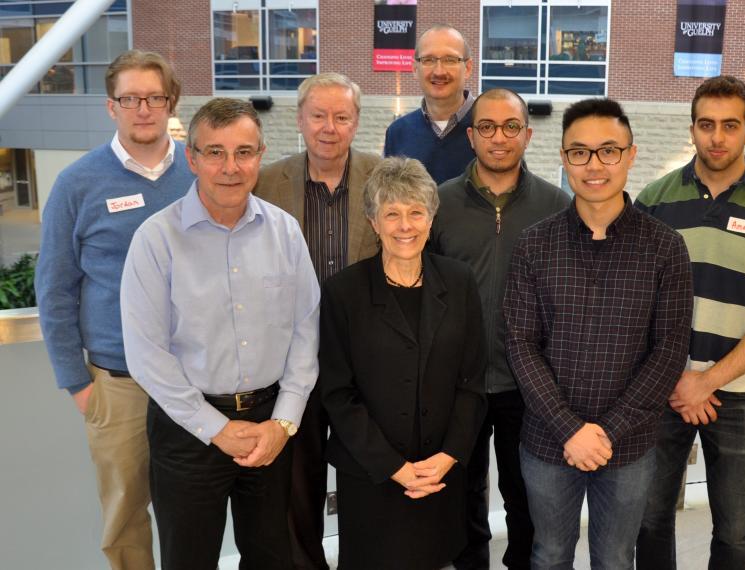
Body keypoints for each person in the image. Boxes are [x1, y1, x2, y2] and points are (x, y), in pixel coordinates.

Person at [120, 98, 320, 569]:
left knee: (273, 557)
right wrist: (218, 430)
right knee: (189, 559)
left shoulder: (285, 232)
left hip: (270, 426)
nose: (231, 167)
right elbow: (147, 354)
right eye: (215, 153)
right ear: (191, 158)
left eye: (244, 152)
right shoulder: (156, 239)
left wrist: (284, 423)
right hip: (188, 429)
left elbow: (306, 333)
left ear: (261, 155)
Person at [503, 98, 694, 570]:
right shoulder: (534, 244)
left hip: (628, 445)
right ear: (564, 160)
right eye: (580, 152)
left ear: (630, 155)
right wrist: (571, 429)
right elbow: (520, 345)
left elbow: (670, 350)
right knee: (548, 556)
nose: (595, 165)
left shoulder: (666, 247)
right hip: (549, 441)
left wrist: (606, 432)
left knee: (614, 558)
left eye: (609, 151)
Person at [635, 75, 745, 570]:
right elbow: (636, 303)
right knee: (649, 519)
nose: (717, 137)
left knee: (734, 531)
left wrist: (706, 380)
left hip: (743, 394)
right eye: (706, 125)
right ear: (691, 129)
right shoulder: (653, 201)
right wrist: (676, 378)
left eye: (730, 126)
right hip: (661, 387)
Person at [35, 50, 193, 570]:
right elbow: (54, 287)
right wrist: (77, 383)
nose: (143, 109)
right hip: (117, 383)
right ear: (111, 107)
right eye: (130, 98)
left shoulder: (201, 171)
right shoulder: (77, 183)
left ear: (170, 103)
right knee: (125, 515)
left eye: (154, 97)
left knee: (193, 509)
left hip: (195, 378)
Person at [319, 157, 487, 570]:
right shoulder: (344, 291)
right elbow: (338, 393)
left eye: (416, 212)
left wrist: (448, 457)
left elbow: (472, 381)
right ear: (374, 222)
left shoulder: (460, 281)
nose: (405, 225)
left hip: (439, 472)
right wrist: (394, 467)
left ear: (431, 219)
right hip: (373, 475)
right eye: (391, 214)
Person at [431, 88, 570, 569]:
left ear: (527, 135)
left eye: (511, 127)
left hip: (527, 385)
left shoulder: (556, 207)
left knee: (526, 501)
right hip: (458, 382)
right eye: (487, 127)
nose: (499, 138)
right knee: (461, 501)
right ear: (470, 136)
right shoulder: (438, 204)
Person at [254, 71, 380, 570]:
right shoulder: (266, 183)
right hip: (289, 365)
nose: (330, 127)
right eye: (319, 116)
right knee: (296, 484)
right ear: (300, 120)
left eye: (342, 117)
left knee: (365, 477)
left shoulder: (383, 178)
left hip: (363, 362)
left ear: (356, 123)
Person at [384, 24, 476, 185]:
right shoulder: (397, 133)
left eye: (450, 60)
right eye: (428, 60)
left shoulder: (491, 127)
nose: (439, 71)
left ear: (467, 68)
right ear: (414, 69)